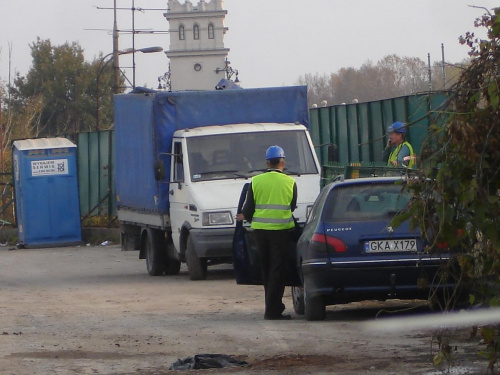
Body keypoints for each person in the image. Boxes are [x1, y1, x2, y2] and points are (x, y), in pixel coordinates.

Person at [236, 145, 297, 320]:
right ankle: (272, 310)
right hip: (280, 232)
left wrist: (244, 217)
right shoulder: (290, 182)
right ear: (282, 162)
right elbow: (291, 206)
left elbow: (248, 209)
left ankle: (273, 307)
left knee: (266, 270)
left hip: (260, 233)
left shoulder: (256, 181)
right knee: (278, 270)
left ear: (267, 163)